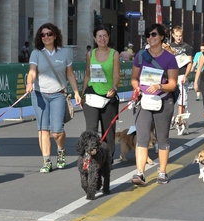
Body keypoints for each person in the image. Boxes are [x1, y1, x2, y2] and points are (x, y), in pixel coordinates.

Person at [25, 23, 82, 173]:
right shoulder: (36, 53)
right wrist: (29, 83)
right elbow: (31, 72)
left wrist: (76, 92)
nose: (46, 37)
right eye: (42, 35)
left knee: (57, 131)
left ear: (55, 35)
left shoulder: (64, 53)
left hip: (58, 94)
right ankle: (46, 161)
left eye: (49, 34)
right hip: (39, 94)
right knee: (43, 129)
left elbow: (70, 74)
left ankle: (61, 150)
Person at [130, 23, 178, 185]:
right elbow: (134, 78)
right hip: (144, 101)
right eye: (148, 35)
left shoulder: (169, 58)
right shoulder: (141, 55)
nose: (150, 38)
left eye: (154, 35)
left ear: (162, 37)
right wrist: (137, 89)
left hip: (163, 100)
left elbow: (173, 84)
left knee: (162, 138)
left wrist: (159, 86)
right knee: (142, 137)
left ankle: (162, 172)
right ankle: (140, 173)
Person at [81, 25, 120, 161]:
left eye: (105, 36)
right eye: (99, 36)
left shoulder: (114, 54)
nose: (102, 39)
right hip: (92, 94)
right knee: (91, 129)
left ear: (108, 37)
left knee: (108, 130)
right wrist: (82, 94)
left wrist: (114, 87)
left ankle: (107, 158)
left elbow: (116, 75)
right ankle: (90, 156)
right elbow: (87, 75)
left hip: (108, 96)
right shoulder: (90, 54)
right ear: (94, 38)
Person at [170, 26, 193, 128]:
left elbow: (189, 63)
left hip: (182, 75)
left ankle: (180, 119)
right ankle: (171, 117)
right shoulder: (169, 46)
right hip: (171, 75)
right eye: (177, 36)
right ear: (173, 35)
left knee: (182, 99)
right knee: (170, 98)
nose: (178, 38)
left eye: (180, 36)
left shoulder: (187, 47)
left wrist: (186, 76)